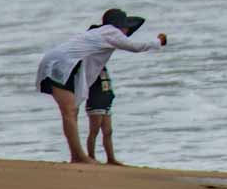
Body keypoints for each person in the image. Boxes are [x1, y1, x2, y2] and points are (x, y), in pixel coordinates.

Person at [35, 10, 166, 164]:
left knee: (71, 112)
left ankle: (76, 156)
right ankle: (80, 157)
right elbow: (135, 47)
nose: (127, 32)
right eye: (126, 28)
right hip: (61, 64)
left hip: (60, 63)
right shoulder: (111, 32)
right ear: (120, 27)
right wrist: (157, 42)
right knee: (69, 112)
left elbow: (89, 64)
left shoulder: (98, 34)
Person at [85, 52, 120, 164]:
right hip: (95, 100)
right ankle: (91, 157)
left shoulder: (102, 66)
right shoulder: (90, 66)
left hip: (105, 99)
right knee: (94, 130)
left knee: (108, 131)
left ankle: (111, 158)